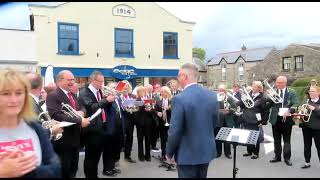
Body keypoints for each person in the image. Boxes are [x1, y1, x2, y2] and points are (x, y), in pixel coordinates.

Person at [0, 68, 61, 178]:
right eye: (6, 94)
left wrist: (25, 169)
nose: (14, 100)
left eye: (19, 93)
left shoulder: (35, 128)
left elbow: (55, 168)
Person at [166, 63, 219, 178]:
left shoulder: (179, 99)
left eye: (178, 75)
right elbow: (214, 122)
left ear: (184, 76)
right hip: (205, 151)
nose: (177, 78)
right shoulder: (212, 95)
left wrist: (169, 153)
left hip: (187, 154)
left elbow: (175, 131)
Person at [46, 70, 91, 178]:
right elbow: (57, 115)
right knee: (64, 170)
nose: (72, 82)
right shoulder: (53, 95)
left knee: (73, 168)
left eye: (73, 79)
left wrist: (82, 112)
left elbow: (82, 107)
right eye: (69, 80)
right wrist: (80, 120)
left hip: (75, 139)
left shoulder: (72, 94)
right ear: (60, 81)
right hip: (63, 141)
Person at [78, 71, 116, 178]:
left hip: (102, 127)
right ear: (93, 81)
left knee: (98, 156)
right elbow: (91, 108)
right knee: (91, 159)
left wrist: (110, 101)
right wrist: (106, 100)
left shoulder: (100, 91)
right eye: (100, 81)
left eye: (103, 81)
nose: (102, 84)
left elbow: (104, 108)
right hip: (91, 130)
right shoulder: (84, 92)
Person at [267, 76, 298, 166]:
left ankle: (287, 158)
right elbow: (269, 104)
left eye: (280, 83)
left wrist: (289, 110)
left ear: (285, 83)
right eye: (277, 82)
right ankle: (277, 156)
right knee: (276, 139)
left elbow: (296, 103)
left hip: (287, 118)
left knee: (287, 140)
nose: (278, 84)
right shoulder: (273, 92)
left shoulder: (292, 92)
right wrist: (268, 97)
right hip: (275, 119)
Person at [25, 72, 63, 140]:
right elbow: (35, 129)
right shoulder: (30, 103)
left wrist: (52, 123)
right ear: (40, 87)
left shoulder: (32, 101)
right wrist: (52, 130)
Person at [239, 81, 268, 159]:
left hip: (255, 119)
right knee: (248, 136)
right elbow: (242, 105)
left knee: (255, 136)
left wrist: (264, 121)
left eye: (255, 86)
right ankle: (249, 151)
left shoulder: (262, 98)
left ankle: (256, 153)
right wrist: (239, 102)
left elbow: (265, 110)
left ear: (259, 88)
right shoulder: (248, 95)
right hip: (246, 118)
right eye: (253, 86)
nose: (253, 88)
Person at [102, 82, 124, 176]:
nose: (115, 89)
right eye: (112, 87)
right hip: (110, 128)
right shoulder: (107, 99)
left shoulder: (118, 98)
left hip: (119, 127)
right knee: (108, 150)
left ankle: (113, 167)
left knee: (116, 148)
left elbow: (120, 112)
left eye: (115, 87)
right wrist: (109, 99)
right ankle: (107, 169)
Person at [299, 86, 320, 169]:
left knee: (319, 147)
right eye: (310, 91)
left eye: (313, 91)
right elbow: (301, 112)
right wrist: (299, 113)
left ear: (318, 92)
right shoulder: (306, 101)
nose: (310, 93)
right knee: (307, 146)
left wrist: (314, 109)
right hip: (306, 127)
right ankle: (307, 162)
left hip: (318, 128)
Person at [214, 84, 235, 159]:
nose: (220, 91)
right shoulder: (214, 98)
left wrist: (229, 111)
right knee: (217, 138)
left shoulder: (229, 98)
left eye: (222, 90)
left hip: (227, 120)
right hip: (218, 121)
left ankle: (228, 153)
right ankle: (218, 152)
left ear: (225, 91)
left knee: (227, 138)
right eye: (219, 90)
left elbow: (235, 108)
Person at [119, 80, 137, 163]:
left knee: (130, 138)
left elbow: (136, 107)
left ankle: (127, 156)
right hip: (121, 119)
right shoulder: (118, 96)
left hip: (130, 118)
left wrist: (135, 107)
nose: (125, 88)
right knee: (121, 138)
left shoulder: (132, 96)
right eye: (123, 86)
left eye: (127, 86)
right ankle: (116, 158)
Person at [134, 86, 153, 162]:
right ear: (139, 93)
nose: (143, 93)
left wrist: (149, 109)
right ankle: (141, 155)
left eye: (144, 91)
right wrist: (142, 107)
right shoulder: (136, 100)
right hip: (140, 123)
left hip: (148, 123)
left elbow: (152, 110)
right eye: (142, 91)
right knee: (140, 140)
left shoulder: (148, 99)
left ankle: (148, 155)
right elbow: (135, 113)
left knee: (148, 140)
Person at [154, 86, 172, 160]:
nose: (161, 93)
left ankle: (170, 155)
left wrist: (169, 109)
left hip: (171, 123)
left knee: (170, 140)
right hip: (162, 124)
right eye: (161, 92)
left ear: (167, 92)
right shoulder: (158, 101)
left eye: (163, 91)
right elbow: (154, 110)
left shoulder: (172, 101)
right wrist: (157, 112)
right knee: (163, 139)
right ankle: (163, 155)